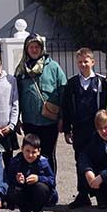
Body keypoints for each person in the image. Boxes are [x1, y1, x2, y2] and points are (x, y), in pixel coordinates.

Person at [62, 47, 107, 209]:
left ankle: (102, 196)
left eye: (86, 61)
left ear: (93, 62)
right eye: (80, 62)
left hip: (98, 130)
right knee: (81, 162)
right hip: (80, 130)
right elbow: (66, 107)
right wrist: (67, 129)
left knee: (101, 161)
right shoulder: (72, 83)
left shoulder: (102, 82)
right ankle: (83, 195)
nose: (83, 64)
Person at [15, 33, 67, 173]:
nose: (34, 50)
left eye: (36, 46)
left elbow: (63, 93)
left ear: (41, 48)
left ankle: (50, 186)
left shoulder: (53, 67)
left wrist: (62, 118)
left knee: (48, 154)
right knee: (31, 155)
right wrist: (16, 119)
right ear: (26, 49)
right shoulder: (21, 70)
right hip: (30, 121)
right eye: (30, 47)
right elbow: (15, 96)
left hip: (49, 122)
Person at [7, 133, 57, 212]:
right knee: (13, 190)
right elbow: (8, 179)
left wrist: (39, 178)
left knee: (41, 187)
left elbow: (52, 180)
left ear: (39, 151)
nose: (30, 155)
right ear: (22, 149)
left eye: (34, 152)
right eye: (27, 151)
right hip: (23, 192)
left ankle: (37, 211)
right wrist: (17, 180)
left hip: (37, 193)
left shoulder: (43, 162)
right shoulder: (15, 161)